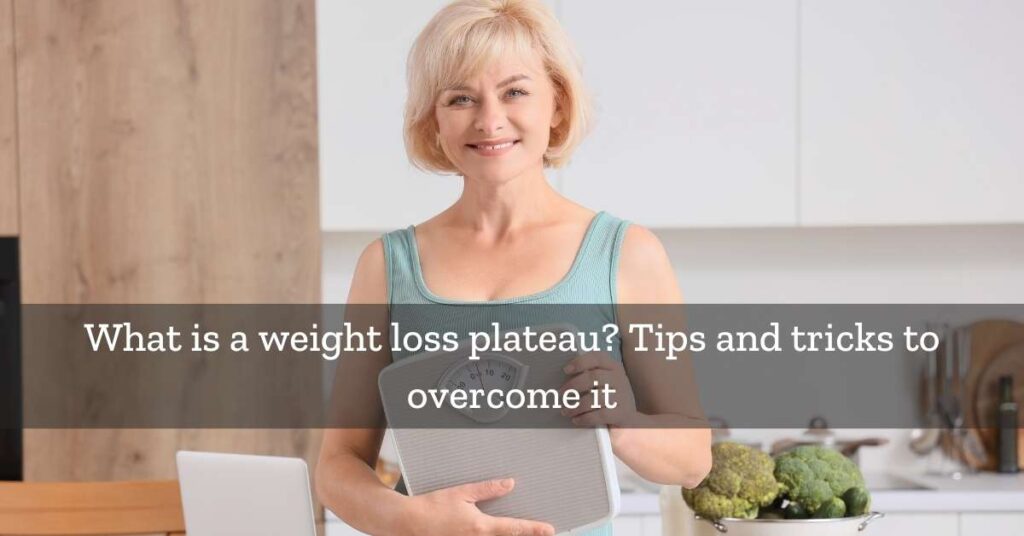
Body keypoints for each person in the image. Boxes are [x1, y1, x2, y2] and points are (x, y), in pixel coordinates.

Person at [316, 1, 712, 534]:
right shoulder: (387, 266)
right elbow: (338, 464)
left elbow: (693, 459)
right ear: (435, 120)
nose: (489, 119)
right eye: (461, 98)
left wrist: (624, 424)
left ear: (557, 104)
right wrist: (411, 520)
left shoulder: (626, 254)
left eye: (515, 91)